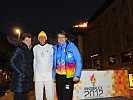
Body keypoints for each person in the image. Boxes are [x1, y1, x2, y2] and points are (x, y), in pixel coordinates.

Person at [53, 30, 82, 100]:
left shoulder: (72, 47)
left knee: (67, 97)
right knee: (60, 97)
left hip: (68, 77)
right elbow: (53, 62)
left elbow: (78, 60)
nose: (60, 39)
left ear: (66, 38)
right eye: (59, 37)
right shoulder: (55, 48)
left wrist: (77, 75)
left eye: (62, 37)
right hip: (59, 76)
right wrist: (53, 75)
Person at [10, 33, 33, 100]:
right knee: (18, 97)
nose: (28, 42)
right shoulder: (19, 49)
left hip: (27, 79)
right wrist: (19, 72)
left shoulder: (30, 50)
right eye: (26, 40)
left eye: (30, 40)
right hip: (19, 79)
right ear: (23, 41)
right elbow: (11, 61)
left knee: (25, 97)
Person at [33, 31, 54, 100]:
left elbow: (54, 60)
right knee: (38, 95)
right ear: (38, 39)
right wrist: (34, 74)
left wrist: (54, 74)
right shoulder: (35, 48)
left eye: (43, 37)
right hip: (38, 75)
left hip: (49, 75)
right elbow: (34, 61)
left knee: (50, 95)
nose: (42, 39)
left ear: (46, 39)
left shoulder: (51, 47)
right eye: (40, 37)